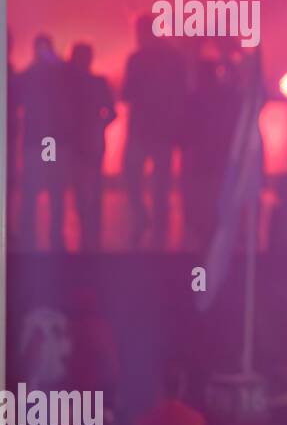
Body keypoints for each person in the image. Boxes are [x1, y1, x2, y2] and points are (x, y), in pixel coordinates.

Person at [122, 14, 187, 248]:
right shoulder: (173, 59)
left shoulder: (137, 59)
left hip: (142, 129)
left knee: (132, 176)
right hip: (163, 130)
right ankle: (159, 225)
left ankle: (145, 218)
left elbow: (127, 93)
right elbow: (182, 94)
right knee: (161, 181)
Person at [14, 33, 71, 249]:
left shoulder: (43, 74)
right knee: (43, 187)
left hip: (41, 140)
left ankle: (37, 232)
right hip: (46, 140)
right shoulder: (41, 75)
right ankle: (47, 233)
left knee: (43, 187)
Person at [63, 42, 116, 251]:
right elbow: (112, 112)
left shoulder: (69, 84)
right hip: (91, 142)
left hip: (79, 142)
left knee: (83, 189)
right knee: (92, 189)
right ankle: (91, 234)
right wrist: (99, 125)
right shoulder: (98, 83)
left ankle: (88, 231)